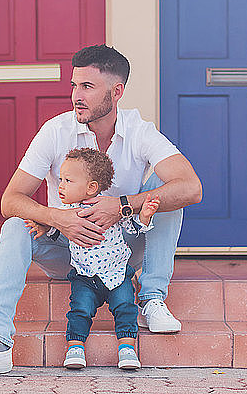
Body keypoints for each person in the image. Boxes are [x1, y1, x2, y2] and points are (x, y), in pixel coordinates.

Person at [0, 44, 202, 378]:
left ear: (116, 92)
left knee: (167, 189)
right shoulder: (55, 131)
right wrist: (57, 218)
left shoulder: (140, 130)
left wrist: (123, 206)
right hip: (68, 250)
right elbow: (10, 199)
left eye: (87, 87)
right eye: (74, 86)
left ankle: (152, 299)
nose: (75, 96)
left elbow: (192, 188)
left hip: (123, 249)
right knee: (14, 226)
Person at [25, 147, 160, 370]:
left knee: (126, 307)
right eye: (61, 179)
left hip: (118, 273)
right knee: (80, 309)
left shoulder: (109, 207)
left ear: (91, 187)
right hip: (85, 276)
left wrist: (144, 216)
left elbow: (134, 229)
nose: (61, 185)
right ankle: (75, 347)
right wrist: (44, 226)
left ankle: (127, 349)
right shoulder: (64, 212)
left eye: (68, 180)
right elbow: (57, 234)